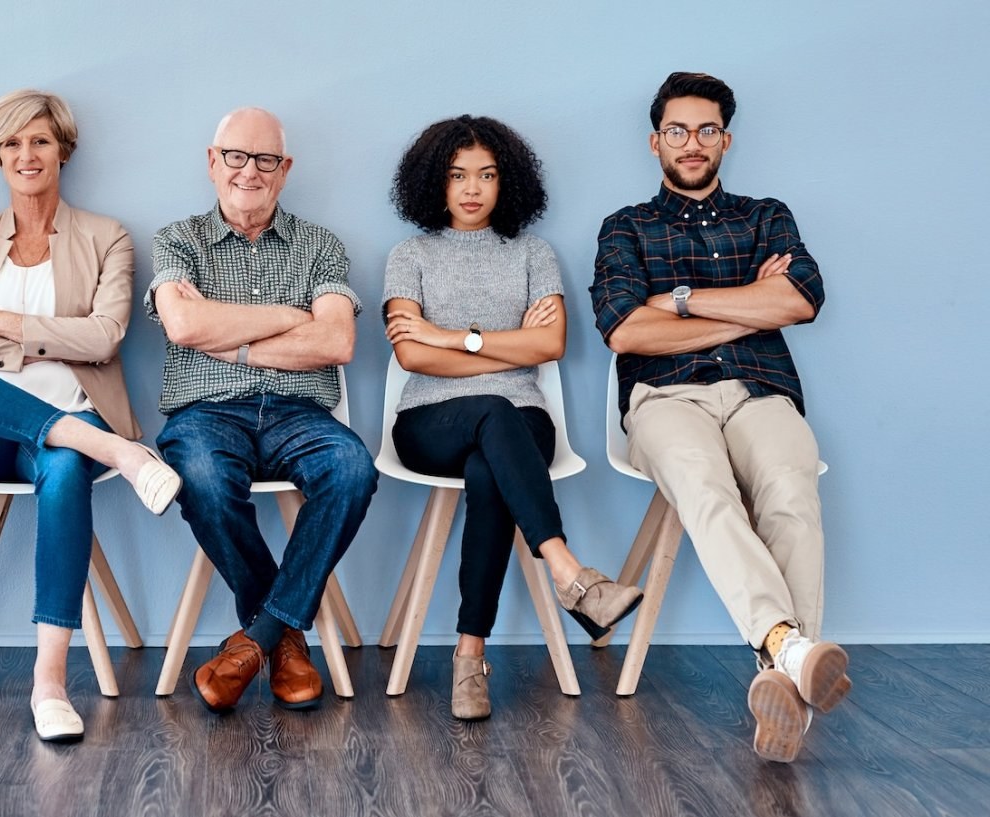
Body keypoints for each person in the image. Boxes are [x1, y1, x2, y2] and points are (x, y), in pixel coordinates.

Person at [0, 89, 179, 743]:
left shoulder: (106, 236)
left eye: (39, 141)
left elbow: (105, 336)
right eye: (12, 144)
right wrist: (51, 332)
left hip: (69, 415)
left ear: (63, 150)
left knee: (63, 468)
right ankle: (119, 451)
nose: (27, 155)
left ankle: (49, 682)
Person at [590, 72, 848, 762]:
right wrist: (739, 304)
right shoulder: (626, 227)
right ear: (655, 142)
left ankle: (781, 678)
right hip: (664, 397)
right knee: (706, 489)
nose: (693, 143)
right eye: (678, 130)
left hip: (761, 390)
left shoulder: (766, 216)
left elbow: (799, 302)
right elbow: (624, 331)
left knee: (793, 491)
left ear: (726, 139)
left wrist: (675, 301)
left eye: (707, 130)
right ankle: (790, 649)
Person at [383, 115, 644, 720]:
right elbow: (410, 353)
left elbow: (549, 346)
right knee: (493, 410)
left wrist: (455, 338)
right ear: (434, 183)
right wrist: (503, 343)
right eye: (457, 175)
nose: (472, 188)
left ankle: (468, 656)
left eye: (487, 175)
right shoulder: (409, 255)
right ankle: (571, 574)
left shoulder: (533, 254)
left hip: (522, 425)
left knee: (489, 463)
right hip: (428, 422)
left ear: (509, 182)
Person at [146, 107, 377, 714]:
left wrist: (232, 337)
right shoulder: (177, 240)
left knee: (352, 468)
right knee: (197, 476)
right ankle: (286, 640)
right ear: (212, 161)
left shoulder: (320, 245)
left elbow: (337, 343)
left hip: (300, 413)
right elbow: (184, 323)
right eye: (236, 157)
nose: (250, 171)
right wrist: (289, 318)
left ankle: (256, 640)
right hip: (205, 414)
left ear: (285, 169)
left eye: (266, 159)